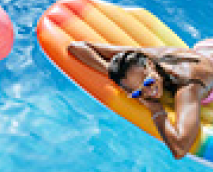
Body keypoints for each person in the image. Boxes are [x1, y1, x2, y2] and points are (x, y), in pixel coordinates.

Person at [68, 39, 213, 159]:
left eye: (148, 82)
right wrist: (112, 74)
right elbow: (76, 47)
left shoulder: (189, 85)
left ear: (150, 65)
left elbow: (180, 148)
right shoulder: (137, 61)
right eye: (138, 93)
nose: (148, 93)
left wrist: (156, 109)